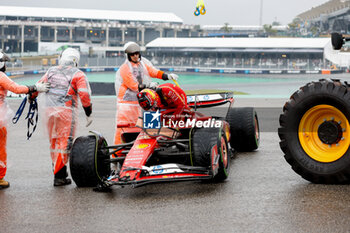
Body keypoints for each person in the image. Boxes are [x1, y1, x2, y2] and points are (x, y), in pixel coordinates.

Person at [31, 48, 92, 186]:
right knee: (64, 143)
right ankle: (59, 176)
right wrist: (88, 113)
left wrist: (31, 97)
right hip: (66, 112)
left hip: (48, 111)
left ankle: (59, 170)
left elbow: (38, 86)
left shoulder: (51, 71)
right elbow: (84, 95)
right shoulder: (78, 74)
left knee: (54, 142)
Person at [0, 51, 50, 189]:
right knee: (0, 148)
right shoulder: (1, 76)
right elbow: (16, 89)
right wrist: (34, 88)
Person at [114, 41, 179, 145]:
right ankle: (118, 153)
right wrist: (148, 86)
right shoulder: (125, 68)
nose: (135, 56)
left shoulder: (142, 65)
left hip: (141, 101)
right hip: (127, 104)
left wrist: (167, 76)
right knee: (124, 130)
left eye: (137, 53)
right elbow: (133, 84)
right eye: (132, 54)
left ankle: (147, 145)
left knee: (143, 128)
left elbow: (154, 72)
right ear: (128, 56)